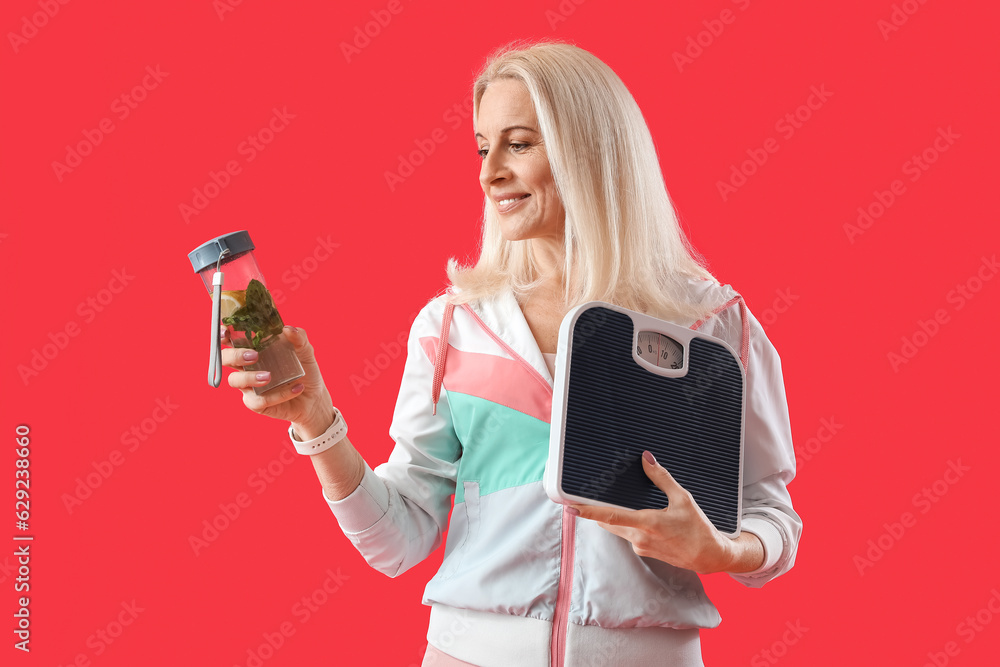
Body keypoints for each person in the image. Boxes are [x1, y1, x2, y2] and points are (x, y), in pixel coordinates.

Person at [220, 39, 802, 667]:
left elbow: (772, 518)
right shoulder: (453, 325)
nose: (488, 170)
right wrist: (317, 423)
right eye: (480, 147)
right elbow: (399, 539)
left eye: (519, 144)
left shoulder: (712, 324)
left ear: (591, 152)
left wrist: (721, 551)